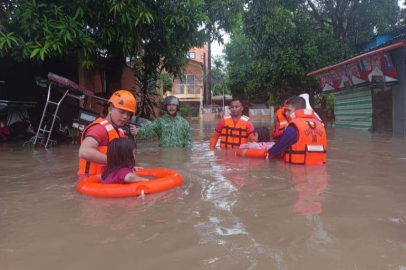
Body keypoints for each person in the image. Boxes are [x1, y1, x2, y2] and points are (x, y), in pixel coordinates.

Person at [78, 90, 137, 176]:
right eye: (122, 112)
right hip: (91, 181)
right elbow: (84, 151)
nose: (125, 117)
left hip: (107, 179)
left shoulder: (120, 131)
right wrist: (116, 162)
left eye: (128, 114)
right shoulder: (99, 129)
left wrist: (127, 167)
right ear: (110, 109)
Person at [268, 96, 327, 165]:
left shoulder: (294, 128)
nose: (286, 113)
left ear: (297, 110)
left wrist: (268, 152)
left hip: (298, 172)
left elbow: (275, 151)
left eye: (289, 110)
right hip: (319, 171)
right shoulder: (320, 125)